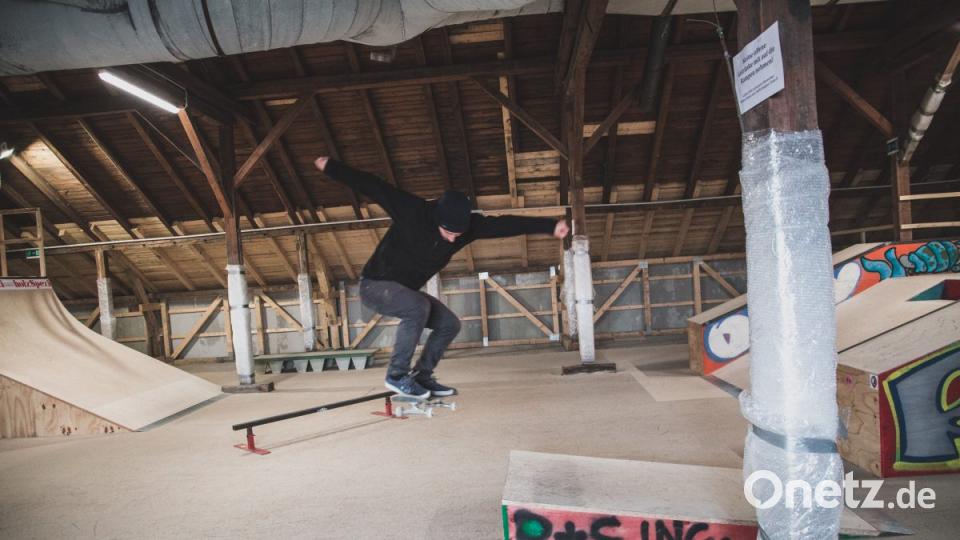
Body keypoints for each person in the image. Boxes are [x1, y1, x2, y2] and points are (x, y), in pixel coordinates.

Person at [315, 157, 569, 398]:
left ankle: (422, 375)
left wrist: (548, 226)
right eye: (448, 232)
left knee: (449, 323)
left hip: (405, 291)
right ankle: (396, 375)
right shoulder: (413, 210)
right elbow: (374, 186)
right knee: (418, 307)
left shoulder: (468, 227)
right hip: (374, 285)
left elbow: (505, 224)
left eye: (458, 235)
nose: (452, 239)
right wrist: (331, 168)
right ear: (437, 217)